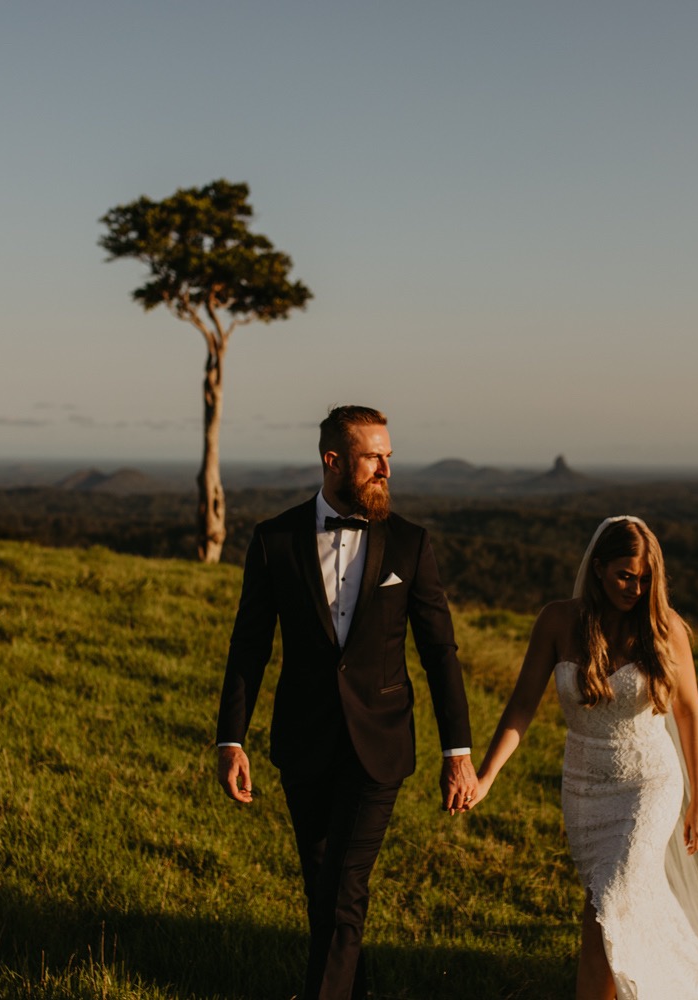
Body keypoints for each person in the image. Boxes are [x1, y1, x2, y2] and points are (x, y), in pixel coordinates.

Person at [472, 516, 698, 999]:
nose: (635, 589)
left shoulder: (665, 628)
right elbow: (521, 705)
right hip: (583, 787)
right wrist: (487, 776)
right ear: (597, 568)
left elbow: (689, 712)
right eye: (624, 576)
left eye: (644, 579)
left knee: (608, 902)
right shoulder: (557, 621)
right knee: (607, 905)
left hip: (648, 782)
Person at [215, 405, 478, 1000]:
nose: (386, 469)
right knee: (323, 888)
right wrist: (231, 739)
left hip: (380, 744)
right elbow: (249, 645)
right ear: (333, 461)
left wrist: (457, 753)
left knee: (342, 891)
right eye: (373, 458)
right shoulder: (275, 539)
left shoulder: (410, 543)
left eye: (389, 457)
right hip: (303, 741)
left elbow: (440, 652)